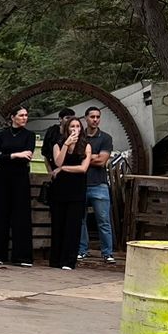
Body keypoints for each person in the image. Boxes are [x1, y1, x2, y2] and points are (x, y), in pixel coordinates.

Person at [0, 106, 36, 266]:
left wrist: (6, 156)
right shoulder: (2, 135)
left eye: (26, 115)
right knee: (0, 213)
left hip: (20, 177)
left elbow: (27, 156)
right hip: (2, 177)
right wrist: (15, 155)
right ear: (13, 117)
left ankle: (22, 256)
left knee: (21, 215)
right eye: (21, 115)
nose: (24, 118)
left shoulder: (29, 135)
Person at [48, 117, 91, 268]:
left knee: (73, 226)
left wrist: (64, 169)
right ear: (66, 129)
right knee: (58, 223)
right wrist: (66, 144)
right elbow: (58, 162)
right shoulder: (58, 145)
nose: (75, 129)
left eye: (77, 126)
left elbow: (82, 168)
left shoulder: (86, 146)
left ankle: (69, 260)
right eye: (72, 126)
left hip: (77, 188)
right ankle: (56, 259)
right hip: (60, 188)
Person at [78, 106, 116, 262]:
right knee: (80, 220)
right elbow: (74, 156)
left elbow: (102, 161)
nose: (95, 119)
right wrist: (92, 156)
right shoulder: (79, 137)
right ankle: (82, 249)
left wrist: (85, 157)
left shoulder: (105, 138)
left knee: (103, 220)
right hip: (81, 183)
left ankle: (108, 253)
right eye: (92, 116)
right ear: (85, 118)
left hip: (99, 184)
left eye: (97, 117)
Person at [41, 108, 76, 173]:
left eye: (72, 119)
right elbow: (45, 153)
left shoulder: (75, 133)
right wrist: (50, 172)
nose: (70, 121)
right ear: (60, 119)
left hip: (70, 170)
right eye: (67, 118)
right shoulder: (52, 132)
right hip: (54, 168)